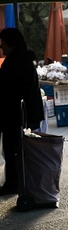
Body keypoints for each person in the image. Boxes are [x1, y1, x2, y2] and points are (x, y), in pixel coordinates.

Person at [0, 28, 45, 196]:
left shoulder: (16, 61)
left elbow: (7, 87)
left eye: (3, 44)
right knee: (14, 147)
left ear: (11, 44)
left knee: (13, 148)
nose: (1, 48)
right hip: (22, 111)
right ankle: (17, 180)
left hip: (17, 113)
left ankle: (14, 182)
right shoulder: (23, 58)